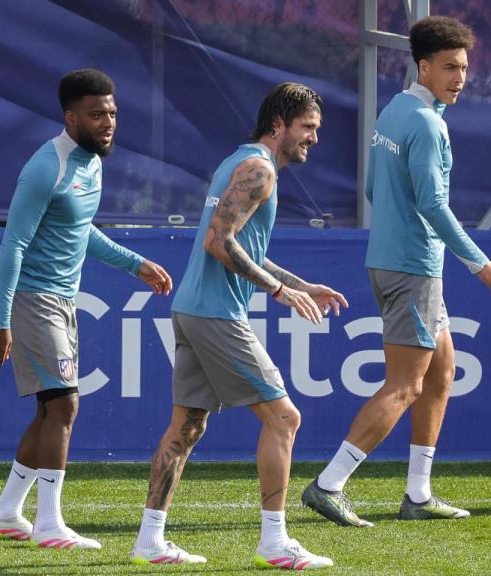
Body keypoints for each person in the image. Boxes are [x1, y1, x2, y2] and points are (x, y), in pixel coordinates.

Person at [302, 16, 491, 527]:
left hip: (394, 260)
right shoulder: (427, 123)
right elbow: (433, 204)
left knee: (441, 373)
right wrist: (479, 263)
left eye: (463, 67)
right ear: (423, 66)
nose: (459, 78)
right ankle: (329, 485)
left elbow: (374, 190)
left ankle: (418, 494)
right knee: (404, 386)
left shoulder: (395, 110)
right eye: (449, 67)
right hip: (412, 268)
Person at [129, 82, 341, 569]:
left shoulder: (241, 162)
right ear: (279, 125)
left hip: (193, 309)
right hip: (215, 314)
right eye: (308, 128)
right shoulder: (258, 170)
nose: (313, 138)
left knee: (187, 426)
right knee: (284, 419)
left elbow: (245, 247)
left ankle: (149, 540)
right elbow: (218, 241)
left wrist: (302, 285)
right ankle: (274, 542)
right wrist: (280, 292)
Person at [0, 69, 173, 550]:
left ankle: (6, 512)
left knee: (50, 409)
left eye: (112, 113)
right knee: (65, 405)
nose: (108, 123)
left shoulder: (92, 163)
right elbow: (13, 245)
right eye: (96, 115)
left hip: (63, 300)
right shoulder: (46, 167)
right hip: (34, 299)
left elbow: (81, 230)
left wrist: (135, 263)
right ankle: (49, 524)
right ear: (70, 118)